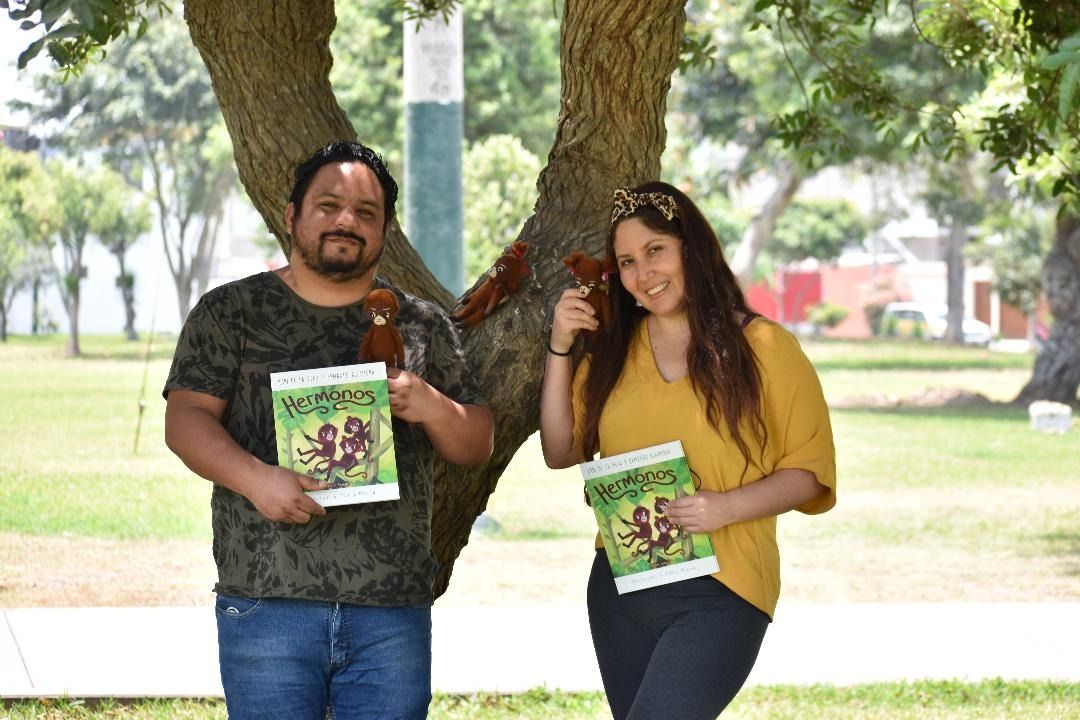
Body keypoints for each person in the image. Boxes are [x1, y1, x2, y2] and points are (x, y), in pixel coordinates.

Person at [163, 140, 494, 720]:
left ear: (386, 229)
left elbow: (477, 442)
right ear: (292, 215)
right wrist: (256, 478)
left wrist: (432, 404)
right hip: (265, 601)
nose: (347, 220)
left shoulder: (420, 324)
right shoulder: (230, 312)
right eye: (329, 204)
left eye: (366, 212)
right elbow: (185, 419)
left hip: (391, 609)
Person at [539, 181, 836, 719]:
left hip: (721, 590)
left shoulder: (766, 348)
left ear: (689, 247)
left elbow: (810, 473)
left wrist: (725, 507)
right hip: (620, 587)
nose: (644, 273)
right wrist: (561, 347)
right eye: (627, 262)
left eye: (655, 251)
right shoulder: (612, 354)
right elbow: (560, 450)